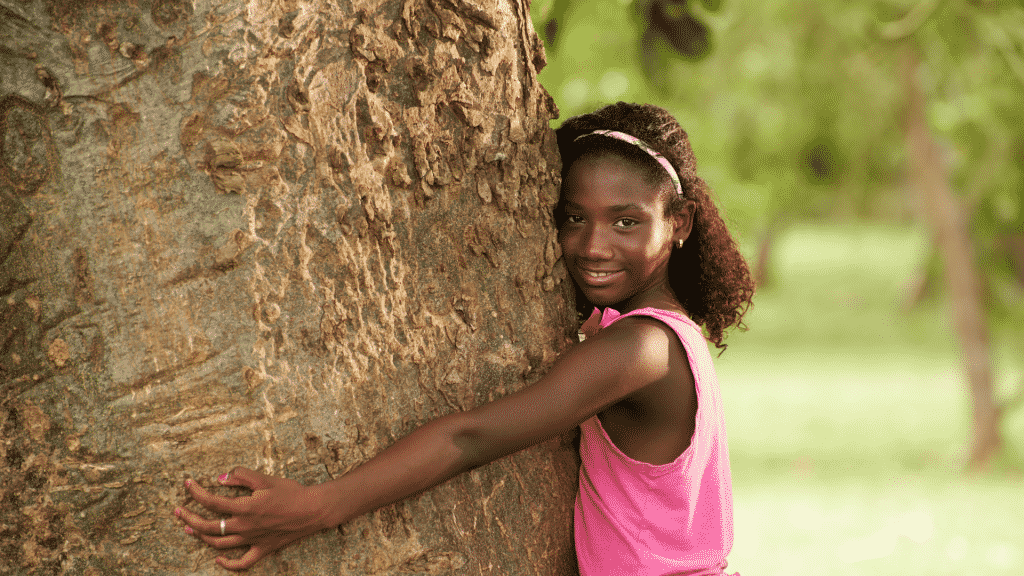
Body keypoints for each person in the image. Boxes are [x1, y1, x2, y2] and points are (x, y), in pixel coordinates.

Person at [174, 102, 754, 575]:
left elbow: (471, 436)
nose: (594, 246)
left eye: (626, 221)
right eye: (574, 218)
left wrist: (317, 508)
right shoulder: (655, 334)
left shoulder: (639, 350)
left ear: (678, 223)